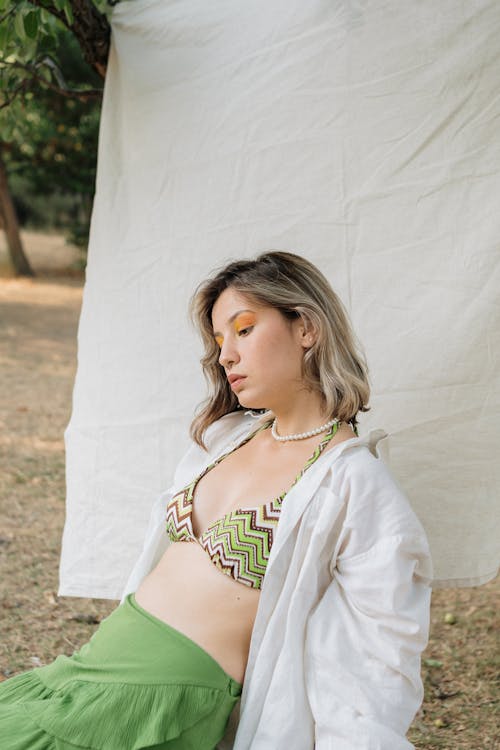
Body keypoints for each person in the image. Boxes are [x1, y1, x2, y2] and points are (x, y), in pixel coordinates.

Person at [0, 250, 432, 749]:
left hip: (158, 704)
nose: (226, 354)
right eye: (220, 339)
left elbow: (381, 650)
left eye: (243, 329)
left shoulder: (354, 482)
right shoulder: (228, 438)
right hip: (89, 668)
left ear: (306, 328)